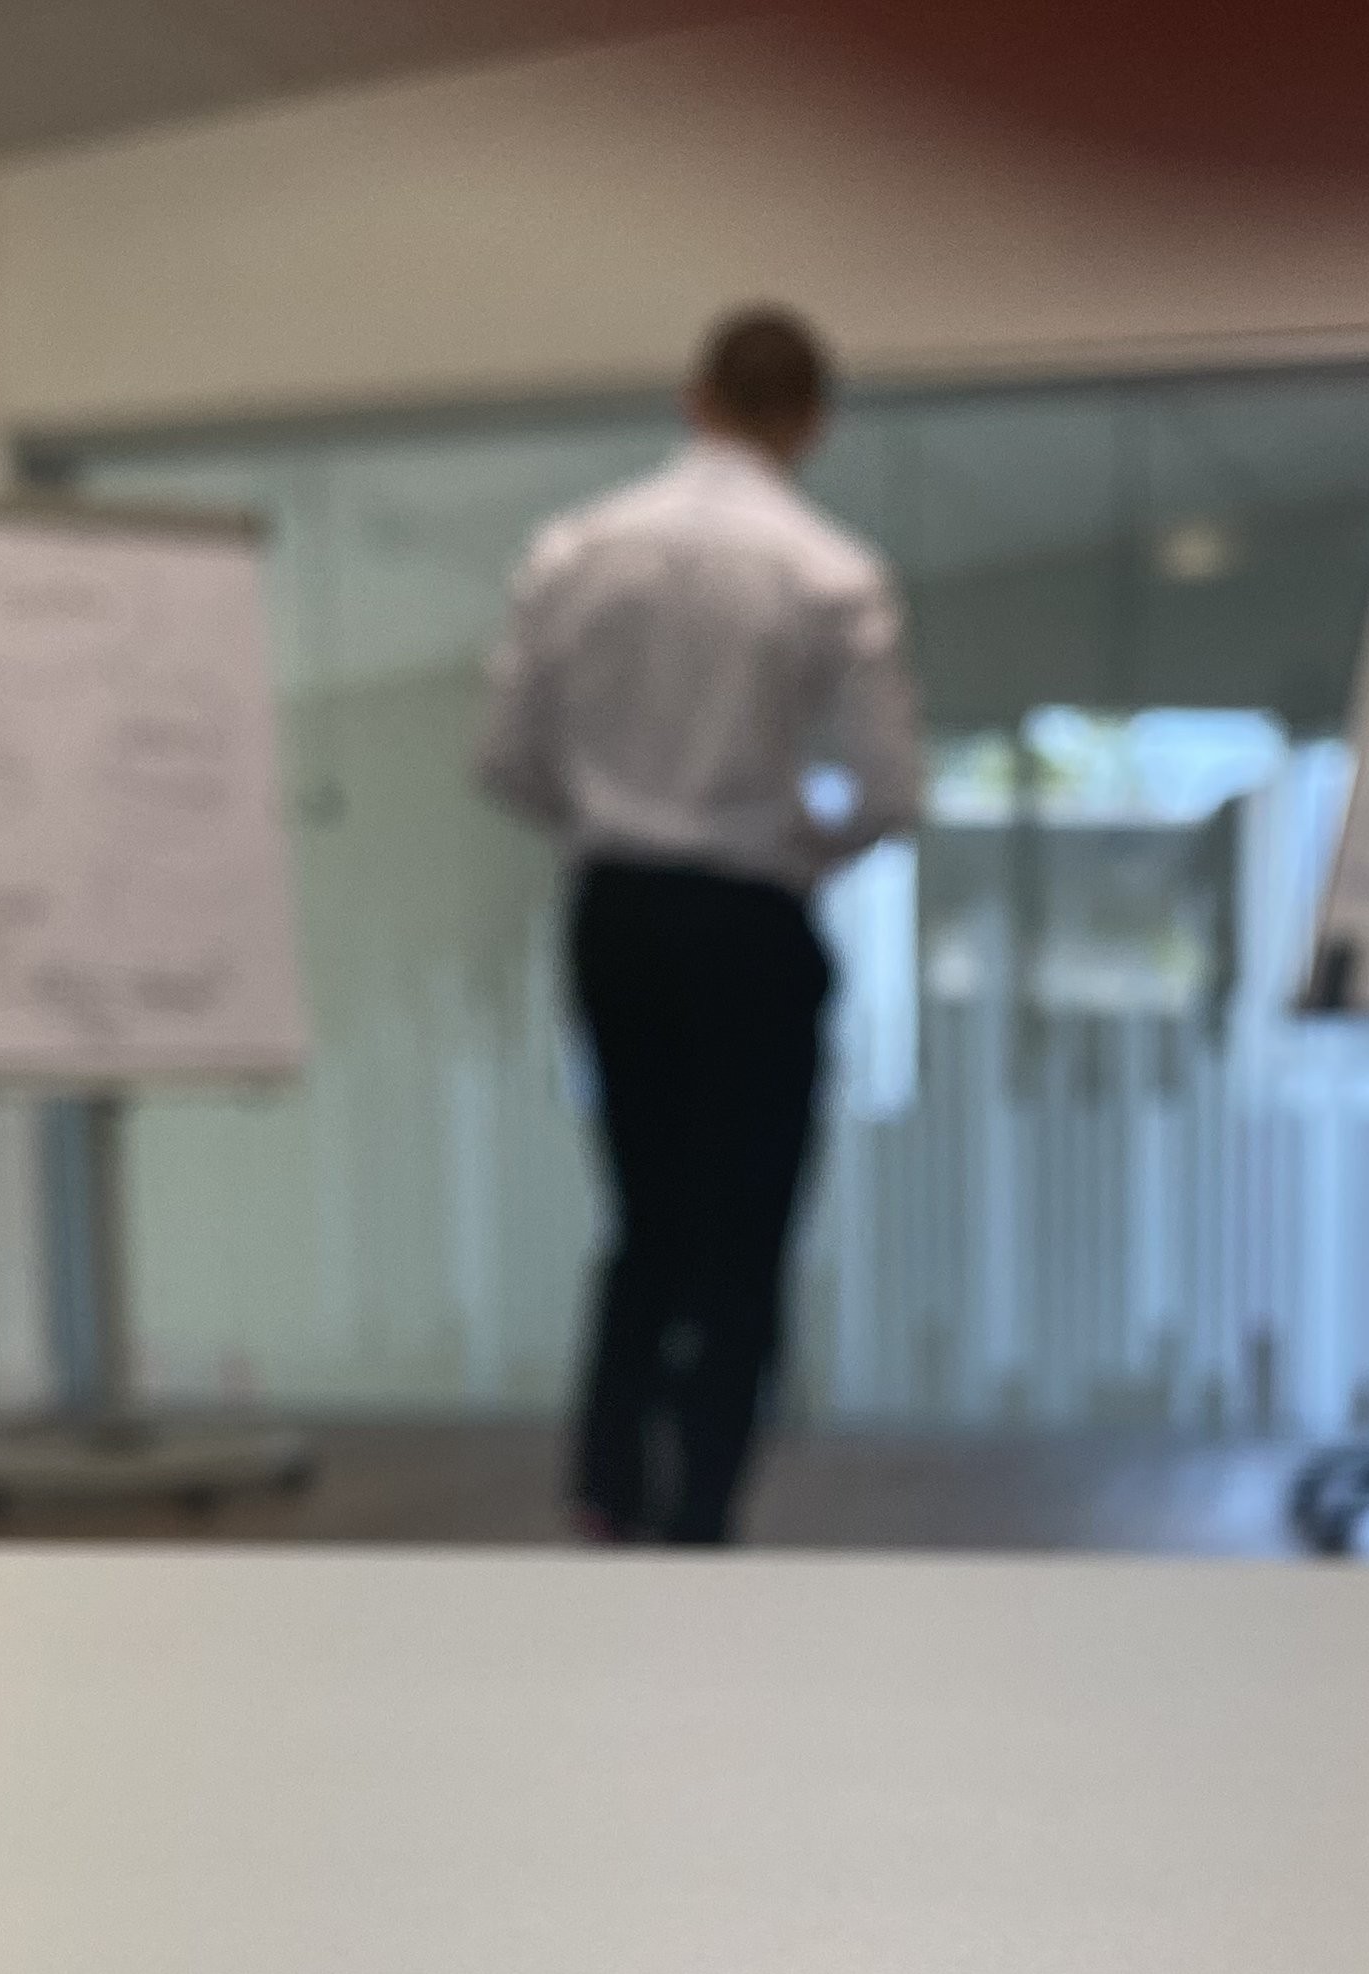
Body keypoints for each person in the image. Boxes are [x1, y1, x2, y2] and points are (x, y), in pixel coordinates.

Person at [475, 305, 924, 1545]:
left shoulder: (574, 550)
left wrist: (603, 821)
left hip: (616, 913)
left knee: (643, 1214)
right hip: (751, 921)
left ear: (694, 397)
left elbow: (505, 758)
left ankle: (608, 1485)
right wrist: (800, 852)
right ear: (811, 422)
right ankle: (705, 1507)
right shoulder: (830, 571)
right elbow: (890, 790)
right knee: (747, 1227)